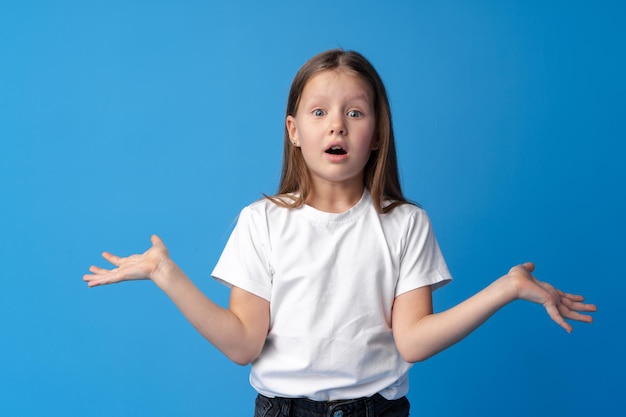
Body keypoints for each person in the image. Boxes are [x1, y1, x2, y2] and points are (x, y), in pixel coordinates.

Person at [83, 49, 597, 417]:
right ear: (293, 131)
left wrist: (505, 288)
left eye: (355, 113)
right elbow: (243, 343)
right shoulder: (260, 221)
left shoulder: (405, 223)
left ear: (376, 135)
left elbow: (413, 341)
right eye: (320, 112)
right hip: (281, 411)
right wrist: (166, 275)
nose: (338, 126)